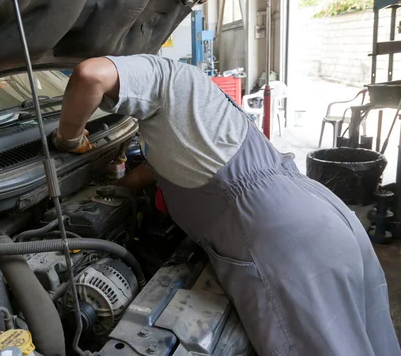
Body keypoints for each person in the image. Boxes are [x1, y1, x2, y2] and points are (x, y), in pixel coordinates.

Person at [52, 54, 400, 356]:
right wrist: (119, 188)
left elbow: (89, 75)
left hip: (280, 242)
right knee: (366, 338)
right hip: (322, 215)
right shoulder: (186, 102)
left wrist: (68, 138)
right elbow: (164, 170)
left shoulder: (160, 74)